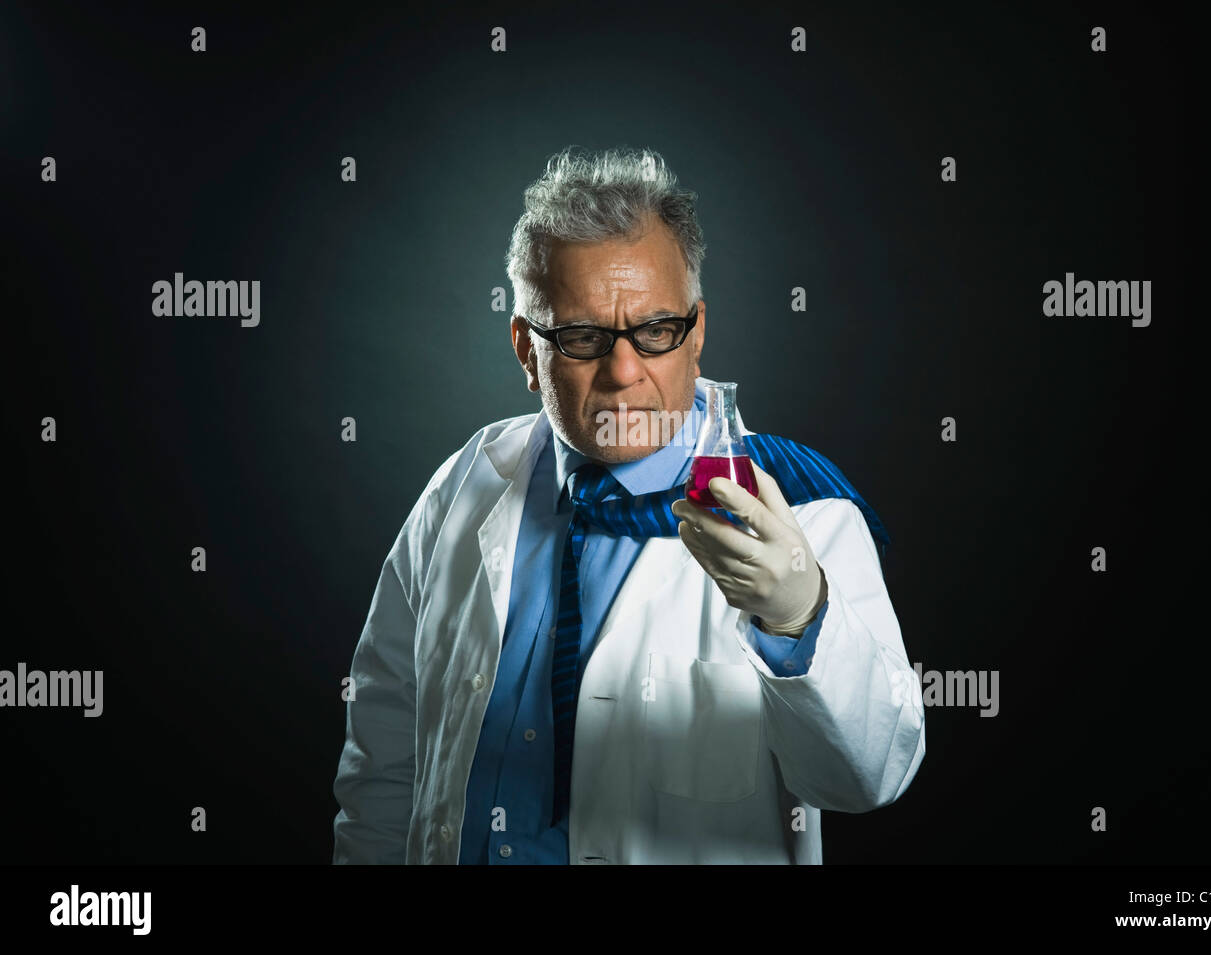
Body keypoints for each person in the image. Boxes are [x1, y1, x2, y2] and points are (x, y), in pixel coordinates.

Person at [331, 146, 925, 864]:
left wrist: (801, 616)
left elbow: (871, 777)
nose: (622, 371)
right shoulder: (464, 487)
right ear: (526, 349)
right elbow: (385, 757)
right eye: (583, 337)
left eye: (655, 331)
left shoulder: (800, 510)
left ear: (696, 333)